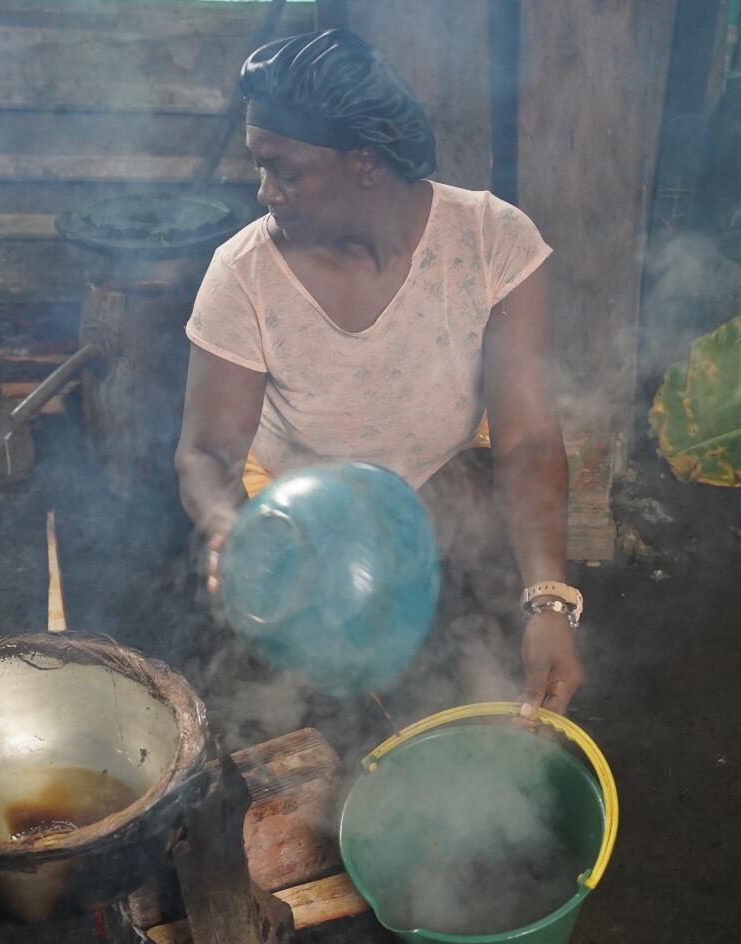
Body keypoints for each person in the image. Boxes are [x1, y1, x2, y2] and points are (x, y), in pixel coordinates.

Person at [175, 30, 584, 715]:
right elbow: (204, 452)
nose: (263, 192)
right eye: (259, 166)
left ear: (364, 163)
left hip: (432, 487)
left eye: (284, 170)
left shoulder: (491, 241)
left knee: (460, 679)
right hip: (291, 516)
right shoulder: (243, 274)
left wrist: (549, 601)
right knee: (304, 708)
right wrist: (234, 533)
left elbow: (529, 440)